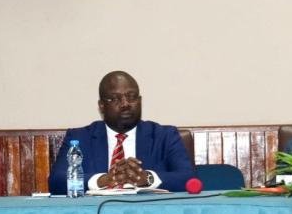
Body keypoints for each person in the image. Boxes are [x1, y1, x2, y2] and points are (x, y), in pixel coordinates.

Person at [48, 71, 196, 194]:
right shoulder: (80, 138)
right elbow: (56, 182)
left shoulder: (164, 136)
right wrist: (102, 180)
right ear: (101, 106)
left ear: (140, 101)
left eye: (131, 97)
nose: (125, 104)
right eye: (115, 99)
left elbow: (189, 179)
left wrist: (147, 178)